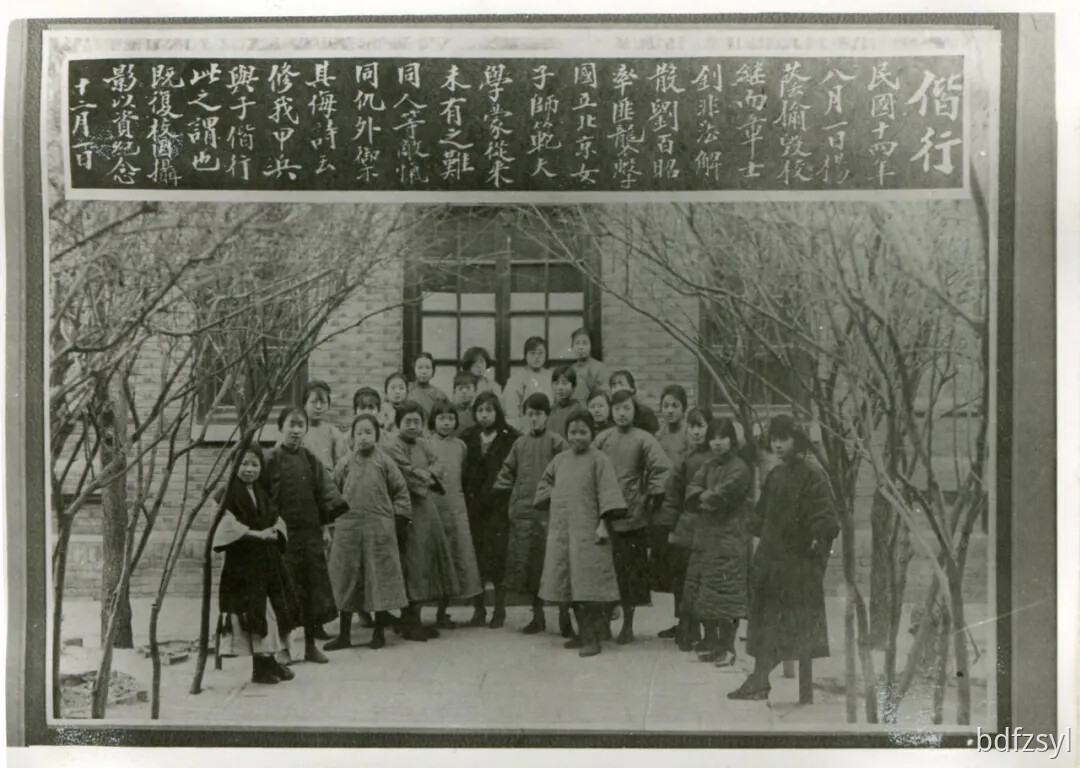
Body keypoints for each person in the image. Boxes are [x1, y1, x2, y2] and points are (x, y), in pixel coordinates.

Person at [728, 415, 839, 701]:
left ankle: (759, 680)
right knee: (765, 620)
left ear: (797, 440)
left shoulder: (813, 474)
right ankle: (759, 679)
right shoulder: (775, 475)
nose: (777, 445)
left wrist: (814, 555)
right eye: (774, 439)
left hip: (798, 568)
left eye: (784, 438)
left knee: (785, 623)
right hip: (771, 562)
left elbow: (826, 521)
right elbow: (760, 516)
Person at [534, 409, 627, 658]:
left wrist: (603, 524)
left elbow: (608, 494)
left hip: (590, 534)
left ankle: (592, 638)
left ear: (591, 433)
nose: (578, 437)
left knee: (589, 586)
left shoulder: (599, 460)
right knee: (569, 586)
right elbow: (543, 487)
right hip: (564, 532)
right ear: (566, 434)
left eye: (583, 432)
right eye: (573, 432)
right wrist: (552, 495)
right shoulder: (560, 460)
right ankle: (581, 634)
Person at [262, 407, 349, 666]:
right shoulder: (271, 459)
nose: (297, 430)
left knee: (312, 590)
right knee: (286, 592)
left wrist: (324, 529)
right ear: (281, 427)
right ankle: (284, 650)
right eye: (292, 424)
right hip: (283, 538)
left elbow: (324, 495)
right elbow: (263, 498)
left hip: (310, 534)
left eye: (301, 425)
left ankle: (311, 646)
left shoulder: (310, 459)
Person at [213, 444, 301, 685]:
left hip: (268, 563)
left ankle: (270, 660)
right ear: (233, 466)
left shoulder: (261, 493)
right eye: (243, 464)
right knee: (256, 613)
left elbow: (276, 518)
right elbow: (226, 526)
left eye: (254, 464)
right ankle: (260, 667)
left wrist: (275, 531)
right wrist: (256, 534)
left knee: (274, 610)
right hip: (243, 566)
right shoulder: (226, 495)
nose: (249, 469)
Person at [593, 390, 672, 644]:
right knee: (606, 573)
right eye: (616, 409)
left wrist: (649, 495)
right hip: (606, 515)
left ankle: (628, 625)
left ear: (634, 411)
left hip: (633, 517)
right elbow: (588, 466)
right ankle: (604, 624)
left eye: (626, 408)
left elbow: (662, 468)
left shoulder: (644, 439)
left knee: (630, 576)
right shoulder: (603, 438)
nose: (621, 413)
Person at [326, 415, 411, 651]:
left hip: (379, 531)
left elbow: (401, 492)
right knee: (346, 580)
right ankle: (344, 635)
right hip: (348, 530)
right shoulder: (345, 463)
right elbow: (333, 493)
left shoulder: (385, 462)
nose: (364, 438)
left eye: (368, 433)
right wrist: (332, 523)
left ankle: (379, 633)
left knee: (379, 579)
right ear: (352, 437)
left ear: (376, 436)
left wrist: (397, 520)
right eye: (359, 433)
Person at [493, 392, 573, 636]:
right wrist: (507, 496)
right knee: (530, 568)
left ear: (547, 416)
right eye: (530, 414)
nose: (534, 419)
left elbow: (568, 471)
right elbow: (507, 472)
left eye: (538, 414)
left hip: (550, 516)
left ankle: (563, 617)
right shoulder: (520, 443)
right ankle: (537, 617)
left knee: (556, 567)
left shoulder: (557, 442)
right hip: (524, 516)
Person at [384, 400, 459, 641]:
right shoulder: (392, 446)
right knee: (411, 563)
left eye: (417, 421)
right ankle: (409, 621)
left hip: (427, 510)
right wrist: (427, 476)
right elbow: (404, 472)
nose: (413, 426)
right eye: (408, 421)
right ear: (398, 423)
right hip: (406, 510)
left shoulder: (425, 444)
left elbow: (440, 465)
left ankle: (415, 618)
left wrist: (426, 474)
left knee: (426, 562)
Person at [680, 418, 753, 665]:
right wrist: (702, 496)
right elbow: (691, 488)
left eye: (723, 437)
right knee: (704, 593)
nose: (718, 442)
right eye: (714, 437)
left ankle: (728, 646)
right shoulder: (709, 465)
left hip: (729, 538)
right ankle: (712, 643)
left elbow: (724, 495)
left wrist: (704, 498)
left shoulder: (740, 467)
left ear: (731, 440)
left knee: (727, 595)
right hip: (706, 537)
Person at [462, 391, 521, 628]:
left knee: (498, 557)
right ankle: (478, 609)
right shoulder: (466, 437)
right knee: (475, 557)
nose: (484, 415)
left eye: (489, 410)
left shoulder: (511, 438)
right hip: (474, 507)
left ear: (497, 412)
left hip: (499, 507)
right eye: (480, 410)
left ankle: (499, 608)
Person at [656, 407, 712, 649]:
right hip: (686, 526)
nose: (696, 431)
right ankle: (685, 623)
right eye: (692, 427)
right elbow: (673, 494)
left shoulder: (717, 458)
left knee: (705, 578)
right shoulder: (685, 459)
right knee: (682, 578)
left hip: (709, 527)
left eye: (701, 426)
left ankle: (703, 626)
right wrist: (670, 526)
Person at [427, 402, 484, 628]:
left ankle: (476, 609)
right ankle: (438, 612)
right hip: (434, 509)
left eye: (450, 418)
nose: (446, 423)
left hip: (456, 508)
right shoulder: (426, 444)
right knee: (437, 561)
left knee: (461, 557)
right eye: (441, 418)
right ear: (434, 421)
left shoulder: (461, 446)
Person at [301, 379, 350, 475]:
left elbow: (342, 464)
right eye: (313, 402)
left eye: (323, 402)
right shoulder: (297, 431)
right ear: (304, 404)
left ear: (328, 405)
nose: (318, 407)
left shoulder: (334, 433)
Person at [503, 336, 552, 429]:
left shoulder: (551, 376)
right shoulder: (517, 378)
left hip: (549, 425)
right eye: (532, 353)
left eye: (540, 353)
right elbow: (511, 411)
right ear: (525, 355)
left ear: (546, 355)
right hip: (526, 426)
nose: (537, 357)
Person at [608, 370, 660, 435]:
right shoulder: (608, 412)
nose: (617, 388)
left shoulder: (645, 413)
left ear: (632, 388)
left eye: (621, 384)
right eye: (614, 385)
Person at [408, 353, 449, 423]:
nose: (424, 372)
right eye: (420, 368)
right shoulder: (406, 389)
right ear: (414, 369)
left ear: (433, 371)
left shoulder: (439, 395)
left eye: (428, 368)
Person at [569, 328, 606, 404]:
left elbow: (605, 396)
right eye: (577, 343)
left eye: (585, 343)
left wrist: (592, 387)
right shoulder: (570, 369)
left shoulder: (600, 367)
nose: (581, 347)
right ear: (572, 346)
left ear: (591, 346)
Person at [656, 385, 690, 462]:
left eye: (675, 406)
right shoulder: (658, 437)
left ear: (684, 408)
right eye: (666, 406)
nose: (670, 411)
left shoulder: (689, 435)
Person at [548, 365, 580, 439]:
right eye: (556, 383)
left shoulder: (578, 410)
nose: (560, 388)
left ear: (573, 386)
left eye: (564, 383)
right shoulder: (551, 410)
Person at [379, 372, 410, 444]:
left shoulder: (411, 410)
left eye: (401, 388)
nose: (397, 391)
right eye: (393, 388)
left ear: (407, 393)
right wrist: (388, 424)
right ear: (386, 393)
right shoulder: (381, 411)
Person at [451, 371, 479, 437]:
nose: (464, 391)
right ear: (455, 391)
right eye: (460, 388)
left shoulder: (478, 411)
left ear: (475, 390)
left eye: (468, 388)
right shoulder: (450, 411)